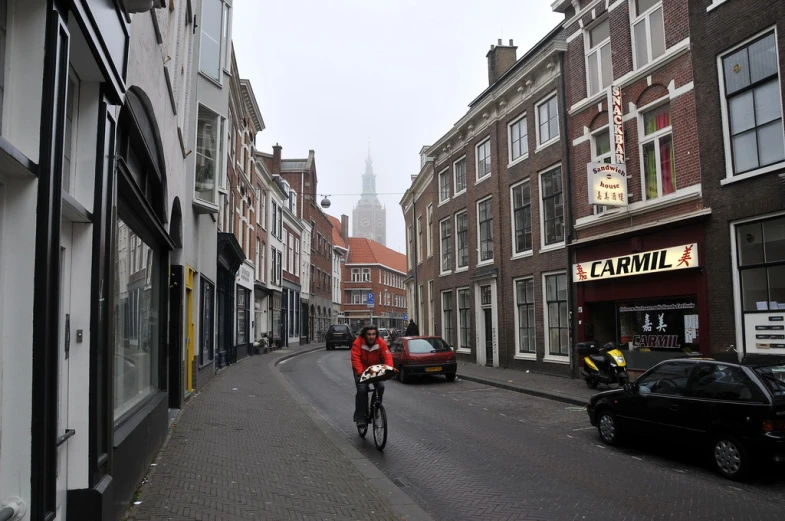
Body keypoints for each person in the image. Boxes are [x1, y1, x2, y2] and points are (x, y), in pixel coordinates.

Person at [351, 325, 393, 428]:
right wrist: (361, 373)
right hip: (361, 369)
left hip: (374, 369)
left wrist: (389, 370)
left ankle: (375, 409)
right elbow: (355, 359)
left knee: (380, 387)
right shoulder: (358, 342)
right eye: (369, 334)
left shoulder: (381, 342)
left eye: (373, 334)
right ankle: (360, 417)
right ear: (365, 335)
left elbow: (387, 356)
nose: (371, 337)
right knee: (362, 390)